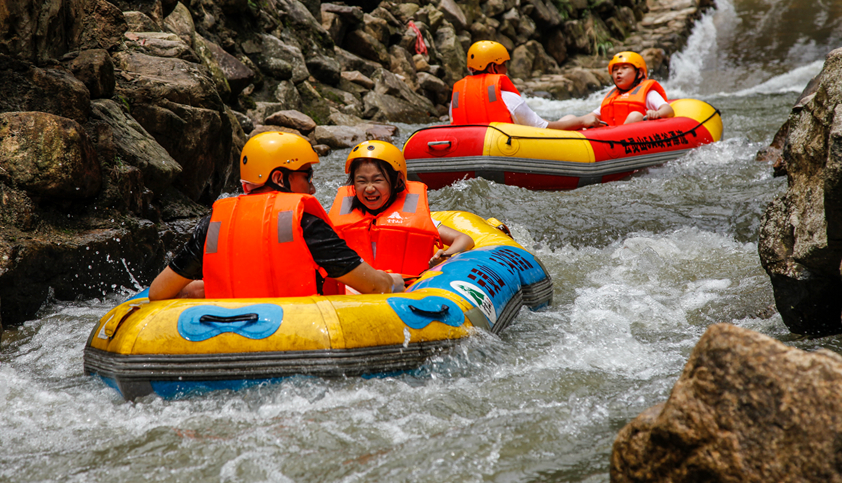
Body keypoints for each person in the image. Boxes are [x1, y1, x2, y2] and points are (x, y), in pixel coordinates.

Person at [148, 132, 404, 301]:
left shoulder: (212, 224)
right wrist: (391, 280)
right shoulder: (305, 223)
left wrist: (201, 291)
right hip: (298, 335)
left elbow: (158, 292)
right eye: (307, 176)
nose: (313, 188)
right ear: (280, 178)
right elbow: (373, 287)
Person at [328, 141, 474, 278]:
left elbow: (464, 239)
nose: (370, 188)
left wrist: (445, 256)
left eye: (378, 180)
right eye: (361, 181)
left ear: (397, 181)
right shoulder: (335, 224)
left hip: (407, 286)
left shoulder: (415, 218)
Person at [449, 40, 601, 130]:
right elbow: (544, 128)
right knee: (571, 117)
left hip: (471, 151)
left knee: (569, 117)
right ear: (493, 67)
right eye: (503, 64)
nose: (506, 69)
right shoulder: (508, 99)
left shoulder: (456, 100)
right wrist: (581, 121)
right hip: (505, 152)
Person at [591, 51, 675, 125]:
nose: (618, 72)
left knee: (635, 116)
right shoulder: (612, 97)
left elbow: (668, 110)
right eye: (615, 69)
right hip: (609, 136)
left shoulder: (648, 94)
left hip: (636, 136)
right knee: (586, 119)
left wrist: (657, 113)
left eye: (624, 68)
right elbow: (593, 116)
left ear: (639, 74)